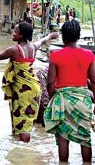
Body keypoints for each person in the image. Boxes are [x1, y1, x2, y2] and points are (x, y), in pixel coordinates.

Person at [0, 22, 58, 142]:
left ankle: (24, 152)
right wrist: (50, 36)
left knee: (23, 122)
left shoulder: (14, 50)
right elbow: (43, 41)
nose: (12, 34)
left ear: (21, 35)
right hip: (34, 87)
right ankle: (19, 146)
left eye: (15, 32)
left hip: (23, 90)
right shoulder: (33, 47)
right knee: (26, 119)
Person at [44, 19, 95, 163]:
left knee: (63, 138)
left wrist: (52, 98)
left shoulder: (55, 55)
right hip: (83, 100)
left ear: (63, 36)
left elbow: (50, 82)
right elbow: (94, 81)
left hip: (63, 100)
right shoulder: (90, 55)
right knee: (85, 138)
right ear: (78, 36)